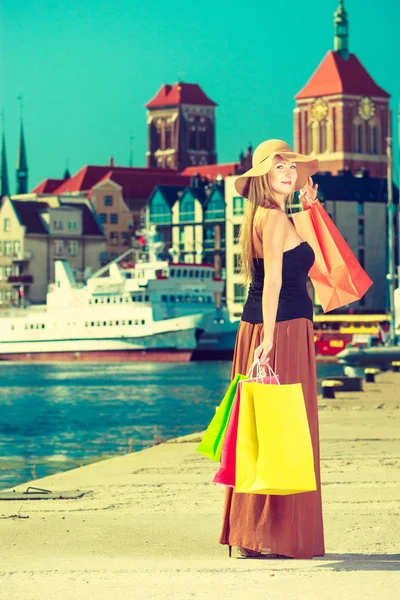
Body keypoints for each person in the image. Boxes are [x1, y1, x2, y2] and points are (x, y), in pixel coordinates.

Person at [219, 139, 325, 559]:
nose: (286, 171)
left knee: (263, 435)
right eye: (277, 166)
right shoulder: (276, 219)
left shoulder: (267, 216)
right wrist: (267, 340)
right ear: (263, 175)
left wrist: (310, 208)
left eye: (290, 166)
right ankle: (273, 534)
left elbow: (295, 246)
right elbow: (276, 282)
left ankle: (254, 532)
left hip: (270, 325)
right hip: (280, 329)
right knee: (286, 435)